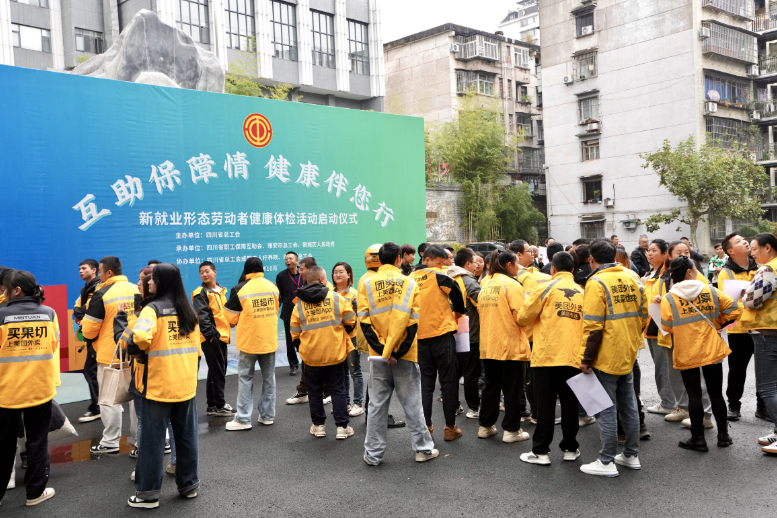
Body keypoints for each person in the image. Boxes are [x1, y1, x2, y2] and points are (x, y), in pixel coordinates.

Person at [125, 263, 199, 508]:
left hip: (158, 385)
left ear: (161, 282)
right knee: (186, 437)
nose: (149, 282)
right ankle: (189, 485)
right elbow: (197, 350)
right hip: (186, 384)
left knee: (152, 442)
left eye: (153, 279)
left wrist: (135, 348)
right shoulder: (188, 309)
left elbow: (139, 338)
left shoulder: (152, 309)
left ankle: (147, 494)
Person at [361, 242, 437, 465]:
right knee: (413, 404)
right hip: (405, 354)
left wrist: (384, 351)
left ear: (380, 259)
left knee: (376, 406)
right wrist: (397, 351)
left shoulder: (367, 284)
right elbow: (413, 321)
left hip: (378, 356)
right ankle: (423, 450)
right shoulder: (409, 282)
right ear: (398, 258)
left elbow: (364, 322)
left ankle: (373, 455)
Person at [578, 239, 646, 477]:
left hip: (606, 355)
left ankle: (606, 461)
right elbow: (644, 315)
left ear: (591, 259)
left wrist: (586, 359)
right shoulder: (633, 276)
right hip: (628, 350)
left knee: (605, 408)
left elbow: (593, 326)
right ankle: (630, 455)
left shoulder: (596, 281)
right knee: (629, 405)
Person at [660, 256, 735, 452]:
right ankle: (723, 436)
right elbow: (734, 310)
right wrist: (717, 323)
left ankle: (698, 439)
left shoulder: (669, 298)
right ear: (689, 272)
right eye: (695, 268)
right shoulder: (710, 290)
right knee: (716, 393)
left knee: (694, 395)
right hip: (711, 348)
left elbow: (666, 326)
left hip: (686, 350)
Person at [517, 252, 584, 465]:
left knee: (545, 405)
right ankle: (570, 448)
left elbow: (522, 317)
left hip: (547, 355)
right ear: (572, 269)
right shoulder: (582, 292)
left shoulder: (545, 288)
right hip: (574, 356)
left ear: (553, 268)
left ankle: (541, 452)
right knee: (570, 405)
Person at [0, 271, 58, 506]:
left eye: (5, 288)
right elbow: (53, 345)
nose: (3, 292)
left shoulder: (1, 315)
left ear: (17, 290)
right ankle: (35, 493)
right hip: (39, 389)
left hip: (6, 392)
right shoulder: (49, 313)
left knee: (3, 445)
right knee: (37, 442)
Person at [81, 256, 139, 455]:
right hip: (136, 351)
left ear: (109, 272)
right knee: (137, 400)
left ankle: (111, 441)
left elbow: (88, 330)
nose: (99, 275)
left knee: (108, 399)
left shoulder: (102, 293)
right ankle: (139, 439)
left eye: (100, 271)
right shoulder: (137, 289)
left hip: (110, 355)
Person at [291, 266, 356, 439]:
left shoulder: (299, 303)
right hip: (335, 353)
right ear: (322, 280)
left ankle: (318, 426)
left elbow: (294, 333)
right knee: (338, 390)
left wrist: (303, 347)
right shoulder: (336, 298)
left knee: (314, 392)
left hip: (311, 356)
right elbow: (351, 321)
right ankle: (342, 427)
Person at [410, 245, 466, 441]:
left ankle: (427, 427)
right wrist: (458, 312)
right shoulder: (439, 276)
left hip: (419, 338)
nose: (442, 267)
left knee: (425, 384)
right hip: (442, 335)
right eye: (439, 263)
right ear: (427, 260)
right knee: (448, 382)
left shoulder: (409, 279)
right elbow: (457, 294)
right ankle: (450, 428)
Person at [657, 241, 714, 427]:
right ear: (670, 256)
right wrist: (658, 300)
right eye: (679, 252)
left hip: (693, 334)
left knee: (699, 378)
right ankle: (683, 408)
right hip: (669, 332)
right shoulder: (663, 277)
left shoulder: (698, 277)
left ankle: (705, 416)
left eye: (687, 252)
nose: (684, 255)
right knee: (675, 373)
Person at [477, 250, 531, 443]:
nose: (518, 267)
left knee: (490, 387)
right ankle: (511, 430)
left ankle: (485, 426)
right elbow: (522, 316)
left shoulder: (486, 283)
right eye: (517, 263)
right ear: (509, 265)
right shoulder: (512, 285)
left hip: (488, 344)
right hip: (509, 345)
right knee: (512, 388)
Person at [224, 258, 279, 431]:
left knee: (245, 379)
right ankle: (267, 415)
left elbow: (230, 318)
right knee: (269, 378)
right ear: (262, 269)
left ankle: (243, 418)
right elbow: (276, 309)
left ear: (246, 271)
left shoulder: (239, 289)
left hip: (249, 342)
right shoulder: (273, 286)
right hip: (269, 340)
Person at [358, 245, 406, 429]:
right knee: (378, 384)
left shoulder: (365, 278)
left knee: (375, 381)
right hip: (383, 341)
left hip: (372, 339)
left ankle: (373, 416)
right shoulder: (376, 280)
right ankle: (377, 417)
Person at [717, 233, 763, 421]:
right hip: (739, 328)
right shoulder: (726, 273)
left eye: (744, 239)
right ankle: (733, 405)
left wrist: (747, 298)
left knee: (764, 369)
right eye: (738, 241)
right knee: (737, 369)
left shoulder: (760, 266)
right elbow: (727, 302)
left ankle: (763, 406)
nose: (744, 242)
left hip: (761, 326)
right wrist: (751, 300)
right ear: (730, 251)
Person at [742, 233, 777, 453]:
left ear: (767, 247)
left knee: (767, 387)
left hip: (768, 333)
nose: (752, 253)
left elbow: (752, 301)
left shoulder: (769, 269)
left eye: (754, 249)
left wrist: (744, 296)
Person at [191, 261, 234, 417]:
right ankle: (220, 405)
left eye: (207, 271)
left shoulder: (221, 290)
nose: (204, 274)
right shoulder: (200, 293)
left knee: (216, 370)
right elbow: (202, 317)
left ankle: (212, 405)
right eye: (201, 272)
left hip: (222, 335)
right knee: (218, 371)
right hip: (212, 337)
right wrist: (211, 336)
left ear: (215, 272)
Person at [643, 239, 676, 416]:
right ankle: (670, 401)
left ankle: (668, 402)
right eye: (649, 250)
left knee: (662, 367)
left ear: (665, 254)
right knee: (661, 365)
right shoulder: (652, 273)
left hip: (660, 325)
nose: (650, 253)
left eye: (654, 250)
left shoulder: (666, 274)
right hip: (651, 323)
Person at [447, 248, 482, 419]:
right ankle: (474, 408)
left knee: (454, 372)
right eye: (475, 262)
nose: (477, 265)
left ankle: (453, 406)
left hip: (451, 331)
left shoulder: (447, 278)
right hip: (470, 333)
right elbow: (482, 306)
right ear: (467, 264)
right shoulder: (470, 283)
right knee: (471, 373)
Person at [332, 261, 365, 417]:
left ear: (349, 274)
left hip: (352, 339)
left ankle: (358, 404)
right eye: (335, 272)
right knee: (341, 373)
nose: (337, 274)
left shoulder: (354, 294)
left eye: (341, 272)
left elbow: (360, 318)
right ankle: (344, 403)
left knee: (355, 372)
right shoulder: (329, 294)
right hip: (335, 338)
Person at [73, 258, 101, 423]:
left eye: (84, 268)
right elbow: (78, 309)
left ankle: (98, 407)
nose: (80, 271)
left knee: (90, 371)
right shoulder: (85, 289)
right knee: (94, 371)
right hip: (91, 336)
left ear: (94, 270)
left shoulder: (98, 287)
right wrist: (82, 311)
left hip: (98, 337)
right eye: (79, 269)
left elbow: (90, 310)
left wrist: (83, 311)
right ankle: (102, 405)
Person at [277, 252, 302, 376]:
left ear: (297, 260)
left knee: (306, 337)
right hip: (289, 312)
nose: (287, 261)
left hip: (305, 311)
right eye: (286, 259)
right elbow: (280, 295)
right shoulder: (281, 276)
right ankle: (293, 365)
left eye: (290, 258)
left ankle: (308, 362)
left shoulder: (305, 272)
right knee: (290, 339)